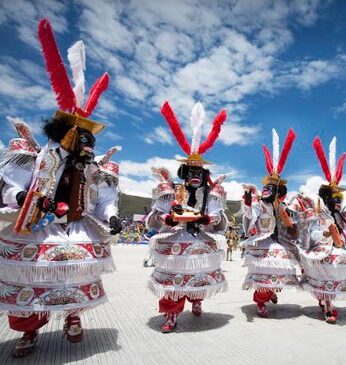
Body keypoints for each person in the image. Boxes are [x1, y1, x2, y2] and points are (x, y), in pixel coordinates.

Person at [0, 19, 121, 357]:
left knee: (74, 275)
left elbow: (102, 201)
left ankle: (72, 317)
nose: (91, 146)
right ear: (68, 135)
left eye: (91, 141)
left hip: (76, 227)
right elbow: (10, 188)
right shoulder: (38, 159)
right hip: (38, 225)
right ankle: (29, 331)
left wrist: (111, 218)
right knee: (31, 279)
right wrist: (22, 197)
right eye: (85, 139)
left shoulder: (91, 171)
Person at [145, 101, 229, 333]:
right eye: (191, 172)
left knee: (197, 274)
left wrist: (208, 220)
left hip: (200, 239)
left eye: (199, 172)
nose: (195, 176)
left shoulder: (212, 194)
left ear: (204, 175)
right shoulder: (171, 190)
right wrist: (166, 220)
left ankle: (197, 299)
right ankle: (171, 313)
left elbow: (219, 218)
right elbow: (155, 216)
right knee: (173, 279)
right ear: (185, 173)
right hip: (175, 238)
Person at [296, 136, 346, 324]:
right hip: (322, 249)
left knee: (340, 265)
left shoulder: (341, 215)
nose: (338, 202)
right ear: (327, 198)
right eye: (334, 198)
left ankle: (327, 301)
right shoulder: (318, 214)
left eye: (340, 198)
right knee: (328, 267)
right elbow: (312, 234)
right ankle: (328, 306)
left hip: (338, 249)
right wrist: (326, 234)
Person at [240, 129, 300, 317]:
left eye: (270, 188)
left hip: (280, 241)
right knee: (265, 268)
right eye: (265, 188)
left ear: (278, 191)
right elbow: (250, 215)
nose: (266, 191)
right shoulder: (259, 205)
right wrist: (248, 204)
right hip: (263, 240)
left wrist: (292, 227)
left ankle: (272, 291)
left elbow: (292, 224)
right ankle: (261, 301)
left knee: (280, 266)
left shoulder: (284, 206)